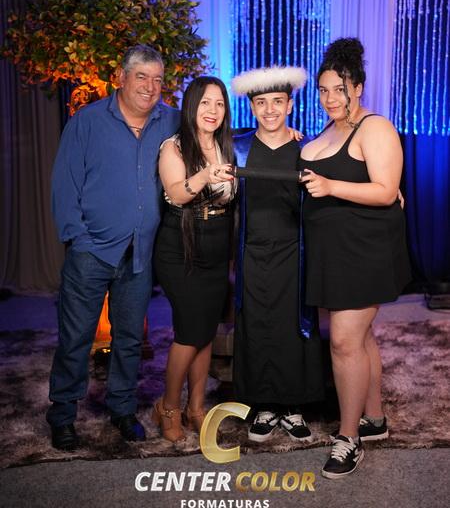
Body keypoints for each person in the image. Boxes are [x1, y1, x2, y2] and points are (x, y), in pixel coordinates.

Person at [47, 45, 180, 450]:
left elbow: (212, 132)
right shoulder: (87, 122)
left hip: (139, 253)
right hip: (91, 252)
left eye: (157, 79)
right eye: (141, 77)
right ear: (121, 78)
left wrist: (275, 136)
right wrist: (78, 239)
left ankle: (122, 409)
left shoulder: (170, 120)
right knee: (75, 338)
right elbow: (64, 185)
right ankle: (63, 416)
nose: (150, 87)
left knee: (129, 340)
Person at [299, 38, 411, 479]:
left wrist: (331, 187)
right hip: (333, 253)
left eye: (339, 90)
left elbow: (385, 191)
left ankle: (349, 439)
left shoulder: (375, 128)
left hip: (365, 252)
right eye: (324, 90)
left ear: (358, 88)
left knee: (345, 341)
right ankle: (374, 419)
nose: (330, 98)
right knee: (360, 338)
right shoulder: (326, 132)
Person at [231, 66, 325, 444]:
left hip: (294, 252)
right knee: (257, 325)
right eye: (261, 102)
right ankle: (265, 406)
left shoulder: (307, 147)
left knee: (292, 326)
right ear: (252, 107)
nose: (269, 110)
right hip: (252, 251)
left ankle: (292, 405)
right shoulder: (238, 147)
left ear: (289, 105)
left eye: (277, 102)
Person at [152, 76, 236, 443]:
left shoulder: (226, 145)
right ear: (191, 106)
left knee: (205, 332)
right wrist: (203, 175)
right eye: (205, 102)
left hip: (217, 248)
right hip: (180, 248)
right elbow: (175, 193)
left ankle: (196, 408)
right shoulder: (174, 147)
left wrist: (295, 136)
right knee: (189, 332)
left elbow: (269, 142)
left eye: (219, 103)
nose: (213, 110)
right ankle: (169, 407)